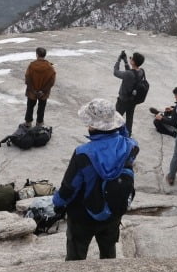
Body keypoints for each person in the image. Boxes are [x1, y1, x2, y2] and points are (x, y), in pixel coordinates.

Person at [52, 99, 139, 260]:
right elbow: (126, 139)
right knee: (108, 250)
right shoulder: (131, 147)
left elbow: (69, 188)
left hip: (83, 215)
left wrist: (57, 203)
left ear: (94, 126)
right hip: (113, 211)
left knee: (76, 255)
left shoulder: (83, 154)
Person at [113, 50, 146, 130]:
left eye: (131, 58)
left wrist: (118, 60)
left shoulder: (129, 74)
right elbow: (132, 73)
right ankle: (128, 134)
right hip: (133, 100)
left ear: (133, 62)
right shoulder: (141, 71)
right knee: (129, 118)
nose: (130, 58)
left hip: (123, 100)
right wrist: (126, 62)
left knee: (116, 118)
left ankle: (113, 134)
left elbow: (116, 72)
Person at [23, 46, 56, 127]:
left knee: (30, 107)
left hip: (32, 92)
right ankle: (39, 123)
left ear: (37, 55)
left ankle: (28, 123)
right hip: (43, 94)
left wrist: (33, 90)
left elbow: (27, 78)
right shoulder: (50, 67)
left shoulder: (31, 66)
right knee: (41, 108)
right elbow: (52, 81)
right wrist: (43, 91)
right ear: (44, 55)